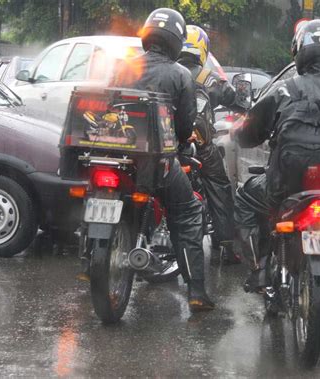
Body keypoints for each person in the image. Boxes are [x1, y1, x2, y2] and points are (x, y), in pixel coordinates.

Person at [232, 19, 320, 347]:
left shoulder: (282, 90)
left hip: (284, 187)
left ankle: (257, 269)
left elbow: (248, 134)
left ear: (300, 53)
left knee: (244, 198)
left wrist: (241, 134)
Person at [113, 8, 214, 312]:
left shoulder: (124, 68)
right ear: (175, 42)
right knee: (187, 212)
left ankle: (89, 258)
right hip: (156, 162)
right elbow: (184, 127)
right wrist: (182, 144)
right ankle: (196, 291)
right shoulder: (180, 75)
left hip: (116, 156)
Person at [177, 24, 241, 265]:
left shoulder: (165, 70)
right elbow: (235, 99)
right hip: (199, 146)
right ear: (202, 49)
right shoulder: (208, 77)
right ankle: (226, 244)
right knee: (220, 188)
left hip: (163, 145)